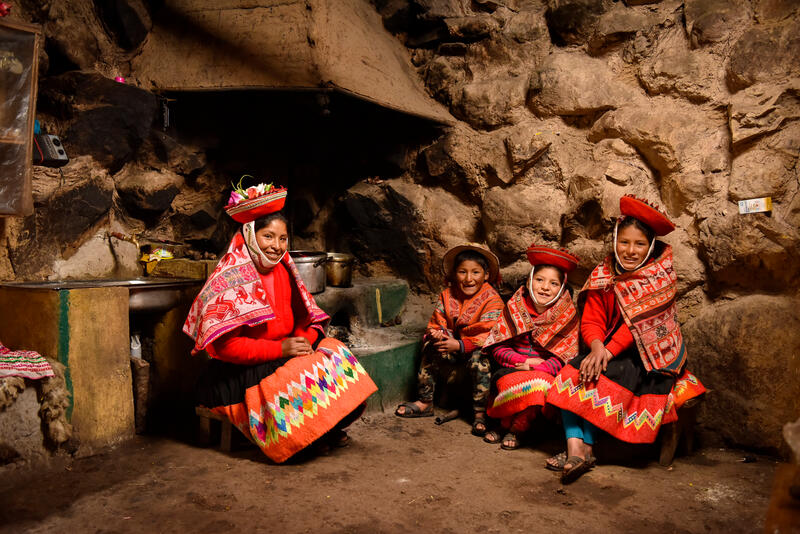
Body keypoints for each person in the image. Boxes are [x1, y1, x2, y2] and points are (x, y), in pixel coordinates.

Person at [183, 183, 377, 463]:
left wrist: (305, 342)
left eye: (283, 239)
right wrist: (283, 350)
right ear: (250, 235)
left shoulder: (284, 269)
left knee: (332, 349)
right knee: (293, 372)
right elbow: (225, 348)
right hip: (230, 376)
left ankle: (324, 427)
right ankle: (302, 436)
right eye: (268, 236)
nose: (276, 246)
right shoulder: (231, 277)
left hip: (277, 355)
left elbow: (305, 319)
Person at [546, 195, 706, 483]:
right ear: (615, 241)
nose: (630, 250)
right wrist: (595, 348)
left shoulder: (659, 277)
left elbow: (638, 327)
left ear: (650, 246)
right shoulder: (603, 275)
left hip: (647, 355)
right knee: (573, 372)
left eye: (639, 244)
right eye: (624, 242)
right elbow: (592, 319)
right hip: (605, 347)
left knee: (604, 375)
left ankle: (585, 449)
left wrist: (605, 353)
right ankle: (576, 450)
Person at [394, 243, 504, 436]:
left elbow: (491, 334)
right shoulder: (447, 295)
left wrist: (460, 345)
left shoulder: (492, 300)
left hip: (477, 351)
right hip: (451, 348)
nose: (469, 279)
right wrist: (438, 334)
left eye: (476, 272)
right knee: (431, 348)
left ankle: (479, 413)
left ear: (486, 275)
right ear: (454, 274)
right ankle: (426, 402)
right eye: (462, 272)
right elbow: (437, 322)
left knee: (481, 362)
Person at [481, 245, 580, 450]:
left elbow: (564, 357)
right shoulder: (515, 306)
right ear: (529, 281)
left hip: (544, 374)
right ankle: (504, 424)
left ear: (562, 288)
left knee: (540, 385)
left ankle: (517, 428)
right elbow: (497, 346)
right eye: (540, 280)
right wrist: (522, 362)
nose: (545, 287)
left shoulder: (568, 315)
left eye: (553, 283)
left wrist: (536, 369)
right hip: (513, 368)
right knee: (517, 383)